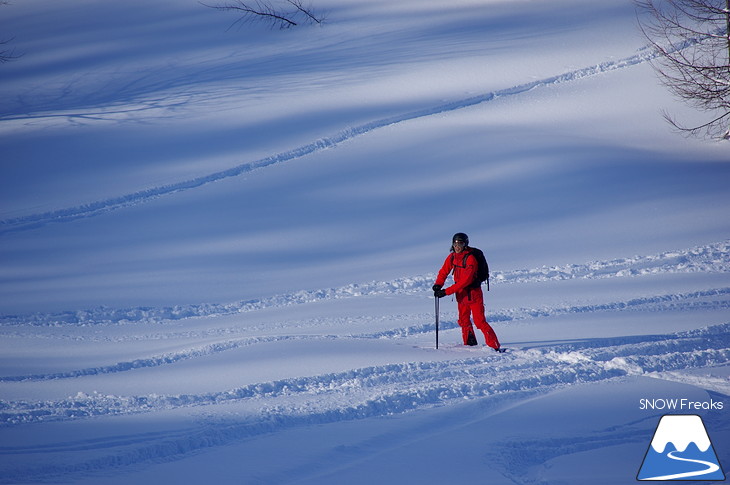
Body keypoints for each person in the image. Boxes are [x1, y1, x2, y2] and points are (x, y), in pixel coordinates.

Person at [432, 232, 502, 351]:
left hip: (474, 294)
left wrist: (446, 292)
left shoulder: (470, 258)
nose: (457, 246)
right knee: (464, 321)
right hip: (461, 295)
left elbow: (465, 281)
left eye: (460, 243)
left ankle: (494, 346)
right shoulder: (452, 257)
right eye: (455, 243)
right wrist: (438, 284)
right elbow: (444, 271)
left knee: (480, 322)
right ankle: (469, 344)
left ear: (465, 244)